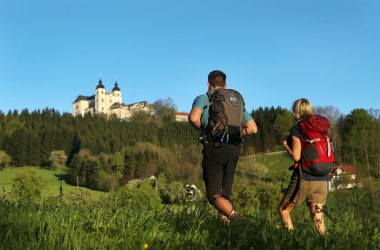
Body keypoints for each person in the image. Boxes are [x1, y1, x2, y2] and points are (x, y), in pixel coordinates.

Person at [188, 70, 257, 222]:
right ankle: (225, 234)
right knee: (224, 195)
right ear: (225, 85)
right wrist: (236, 132)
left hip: (214, 148)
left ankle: (238, 219)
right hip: (234, 148)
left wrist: (206, 131)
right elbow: (253, 128)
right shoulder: (235, 101)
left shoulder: (204, 98)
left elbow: (193, 118)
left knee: (214, 196)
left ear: (208, 84)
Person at [278, 98, 330, 234]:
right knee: (318, 217)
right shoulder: (321, 129)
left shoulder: (298, 127)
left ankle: (291, 242)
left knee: (283, 210)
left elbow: (296, 156)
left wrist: (285, 146)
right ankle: (326, 244)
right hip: (323, 177)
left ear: (296, 111)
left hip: (305, 177)